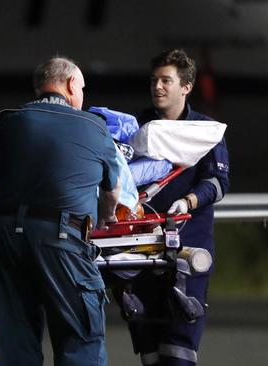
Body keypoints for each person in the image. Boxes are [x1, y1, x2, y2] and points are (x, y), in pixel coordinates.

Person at [0, 57, 120, 366]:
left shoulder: (8, 120)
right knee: (80, 340)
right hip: (64, 241)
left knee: (14, 345)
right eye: (82, 88)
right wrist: (106, 215)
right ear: (70, 85)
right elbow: (113, 192)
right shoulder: (94, 127)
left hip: (6, 238)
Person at [120, 49, 230, 366]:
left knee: (181, 339)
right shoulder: (135, 128)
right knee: (146, 338)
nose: (158, 87)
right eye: (154, 80)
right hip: (139, 246)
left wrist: (189, 201)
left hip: (187, 245)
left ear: (186, 86)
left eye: (166, 80)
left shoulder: (205, 131)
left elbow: (218, 181)